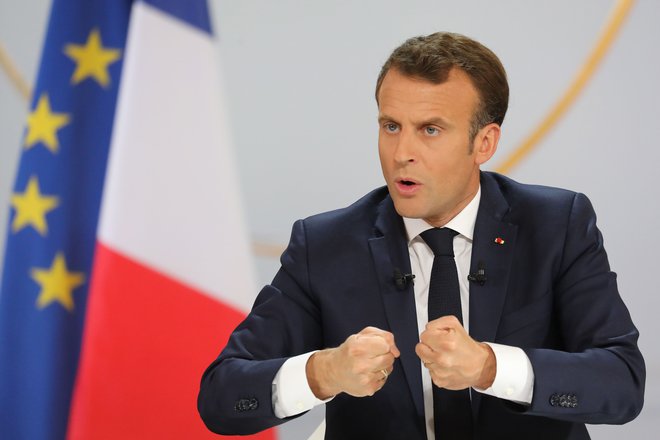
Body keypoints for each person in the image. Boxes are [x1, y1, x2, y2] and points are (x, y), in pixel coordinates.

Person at [197, 32, 645, 439]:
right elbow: (221, 397)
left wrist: (492, 368)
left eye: (430, 130)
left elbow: (621, 381)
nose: (401, 154)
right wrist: (323, 373)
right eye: (391, 126)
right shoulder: (326, 245)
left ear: (484, 143)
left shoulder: (556, 225)